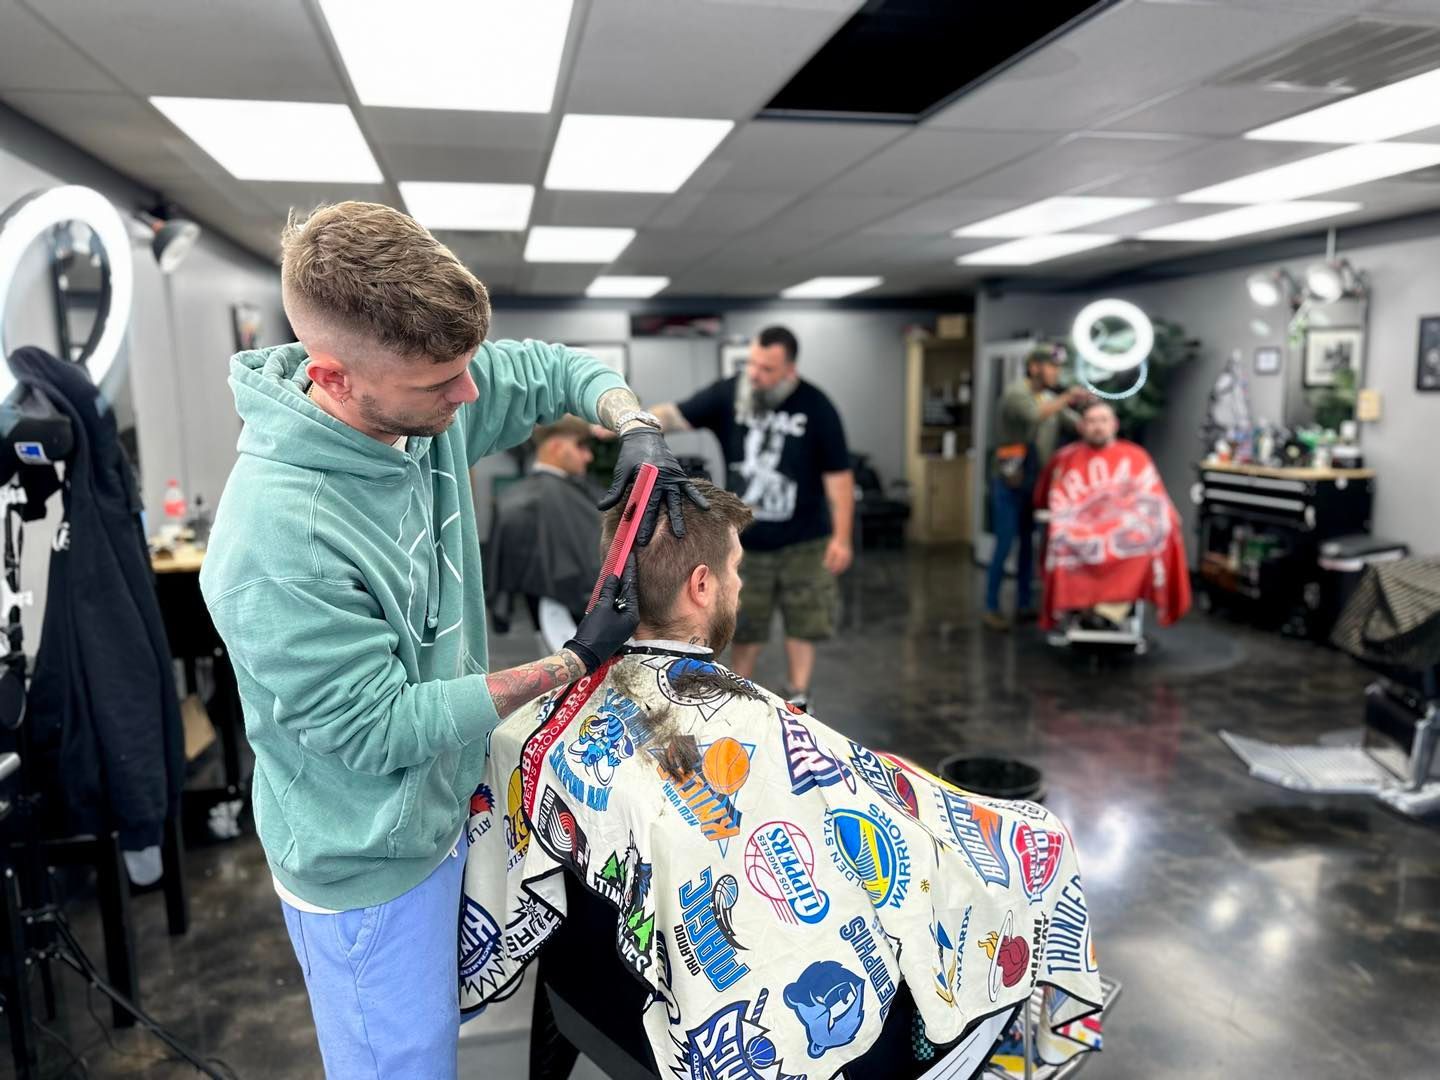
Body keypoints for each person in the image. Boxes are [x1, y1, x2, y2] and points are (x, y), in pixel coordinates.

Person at [198, 200, 704, 1079]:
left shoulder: (420, 402)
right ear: (334, 376)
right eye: (440, 383)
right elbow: (378, 729)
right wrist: (573, 662)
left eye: (467, 368)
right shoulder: (277, 541)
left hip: (446, 810)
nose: (468, 397)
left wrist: (633, 423)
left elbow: (549, 370)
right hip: (365, 861)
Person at [456, 478, 1105, 1077]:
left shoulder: (535, 722)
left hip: (590, 995)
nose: (740, 586)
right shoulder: (764, 726)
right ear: (702, 586)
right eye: (736, 570)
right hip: (744, 1017)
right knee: (1035, 843)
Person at [649, 326, 852, 709]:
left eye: (767, 369)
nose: (755, 374)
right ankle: (738, 696)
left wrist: (842, 538)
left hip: (806, 541)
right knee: (743, 625)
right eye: (753, 364)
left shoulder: (816, 406)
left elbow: (838, 478)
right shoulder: (730, 393)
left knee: (804, 623)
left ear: (789, 370)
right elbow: (674, 415)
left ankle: (799, 697)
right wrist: (631, 420)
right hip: (744, 541)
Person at [1033, 399, 1191, 630]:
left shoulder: (1135, 456)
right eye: (1091, 421)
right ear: (1081, 426)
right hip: (1079, 530)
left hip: (1126, 530)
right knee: (1064, 541)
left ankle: (1110, 611)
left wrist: (1168, 514)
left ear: (1114, 424)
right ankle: (1092, 610)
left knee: (1156, 537)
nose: (1098, 427)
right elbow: (1046, 498)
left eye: (1103, 420)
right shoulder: (1064, 459)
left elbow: (1155, 499)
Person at [983, 343, 1087, 631]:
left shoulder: (1049, 398)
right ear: (1034, 368)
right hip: (1009, 479)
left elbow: (1075, 423)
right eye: (1051, 366)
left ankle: (1024, 603)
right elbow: (1034, 415)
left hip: (1035, 480)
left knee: (1029, 543)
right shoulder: (1017, 394)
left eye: (1058, 367)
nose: (1056, 372)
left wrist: (1093, 417)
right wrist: (1066, 397)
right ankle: (991, 607)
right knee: (1005, 543)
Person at [485, 416, 602, 625]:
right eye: (581, 446)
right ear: (556, 447)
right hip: (566, 614)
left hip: (549, 610)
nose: (589, 456)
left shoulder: (514, 499)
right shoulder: (537, 500)